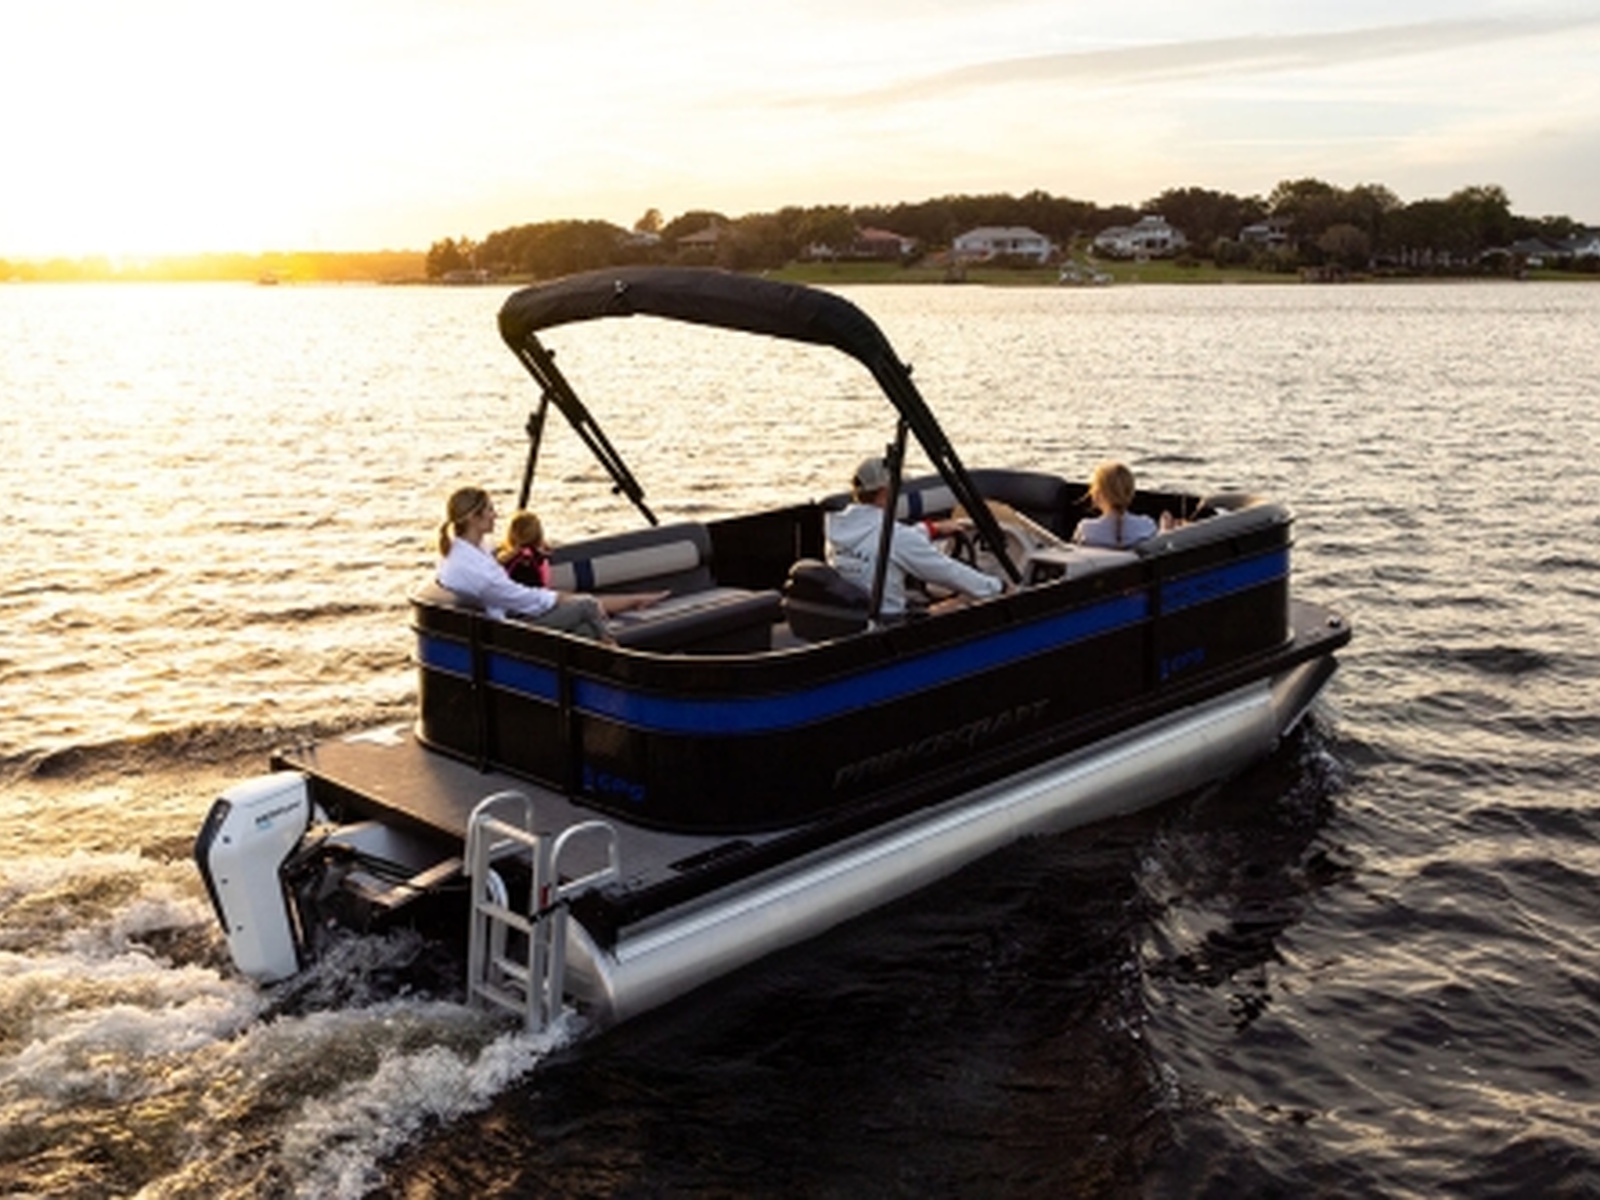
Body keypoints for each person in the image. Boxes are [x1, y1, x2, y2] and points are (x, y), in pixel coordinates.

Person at [436, 487, 635, 641]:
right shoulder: (477, 570)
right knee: (587, 605)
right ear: (473, 518)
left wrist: (527, 548)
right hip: (509, 632)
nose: (495, 515)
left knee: (585, 631)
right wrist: (561, 598)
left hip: (504, 616)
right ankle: (615, 653)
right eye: (490, 510)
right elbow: (519, 597)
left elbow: (498, 576)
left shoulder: (463, 550)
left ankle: (599, 668)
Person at [825, 456, 1004, 618]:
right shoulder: (895, 537)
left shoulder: (839, 527)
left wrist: (932, 529)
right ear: (884, 492)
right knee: (967, 599)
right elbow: (947, 572)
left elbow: (889, 540)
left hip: (855, 615)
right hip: (890, 621)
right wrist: (998, 586)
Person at [496, 506, 669, 615]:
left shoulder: (509, 557)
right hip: (534, 608)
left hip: (532, 603)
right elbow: (534, 592)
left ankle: (637, 600)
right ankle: (637, 600)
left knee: (588, 600)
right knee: (589, 602)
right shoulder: (528, 559)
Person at [1072, 461, 1159, 549]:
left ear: (1098, 494)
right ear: (1130, 493)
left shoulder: (1085, 530)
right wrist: (1164, 533)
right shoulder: (1147, 527)